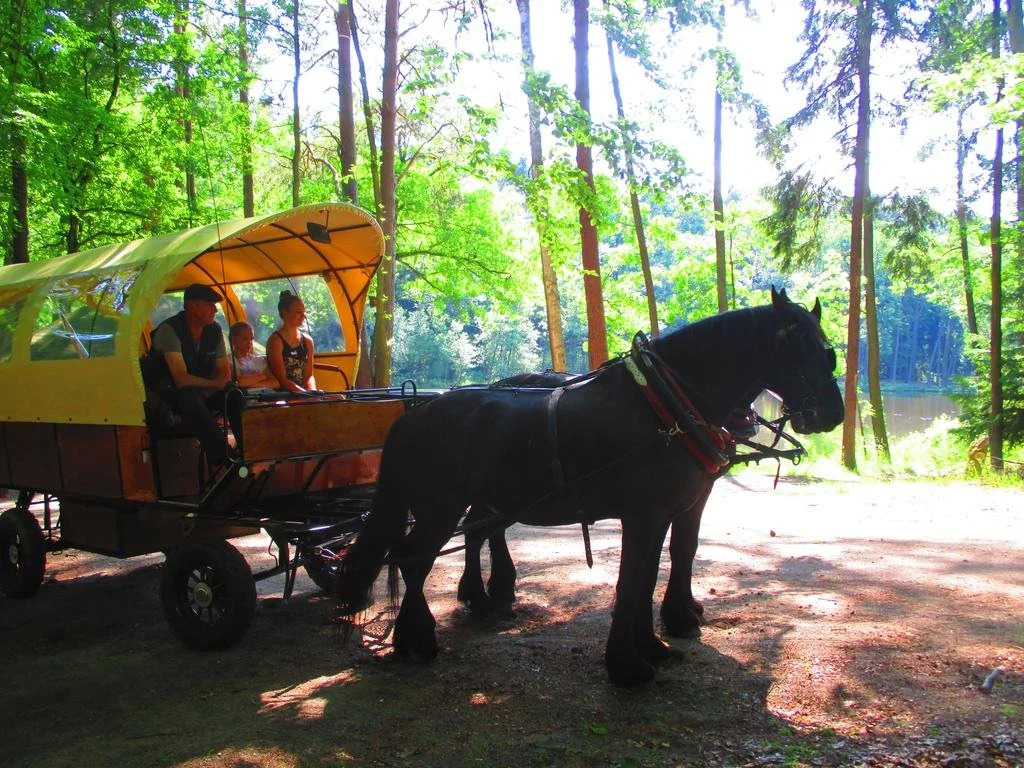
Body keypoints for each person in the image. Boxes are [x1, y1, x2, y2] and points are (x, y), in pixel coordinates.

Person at [141, 283, 242, 466]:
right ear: (192, 306)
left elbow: (224, 369)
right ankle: (222, 456)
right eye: (209, 305)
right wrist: (213, 385)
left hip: (202, 390)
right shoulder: (169, 330)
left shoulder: (214, 330)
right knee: (190, 397)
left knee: (234, 395)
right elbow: (180, 378)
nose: (215, 309)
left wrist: (218, 384)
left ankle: (249, 451)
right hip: (167, 396)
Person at [266, 290, 317, 393]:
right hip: (284, 394)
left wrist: (312, 393)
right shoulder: (275, 341)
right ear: (285, 313)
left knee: (339, 398)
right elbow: (282, 380)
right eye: (298, 312)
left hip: (306, 394)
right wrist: (305, 395)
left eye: (304, 312)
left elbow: (309, 376)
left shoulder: (308, 341)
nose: (303, 316)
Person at [229, 321, 278, 389]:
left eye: (251, 339)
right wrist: (262, 376)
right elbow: (240, 382)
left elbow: (275, 383)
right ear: (233, 340)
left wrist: (253, 384)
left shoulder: (259, 360)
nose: (249, 342)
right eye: (245, 339)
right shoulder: (229, 361)